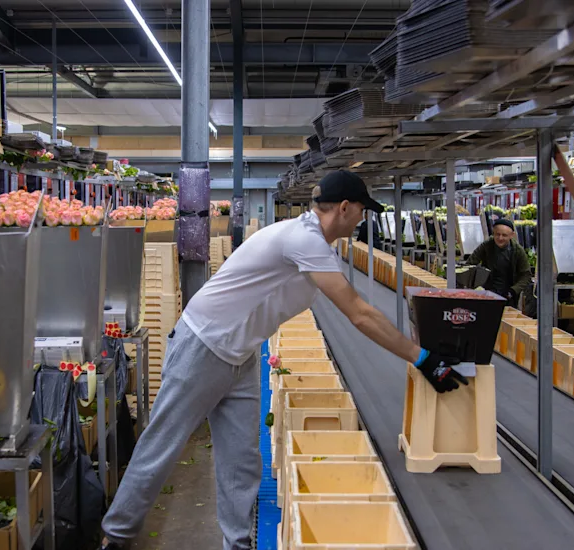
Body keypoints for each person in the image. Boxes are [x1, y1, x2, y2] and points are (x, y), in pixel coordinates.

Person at [99, 170, 467, 550]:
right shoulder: (303, 240)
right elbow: (358, 313)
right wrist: (421, 357)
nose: (363, 218)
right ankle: (117, 534)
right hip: (204, 344)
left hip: (241, 351)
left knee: (241, 461)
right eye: (361, 210)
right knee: (164, 443)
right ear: (343, 208)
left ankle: (237, 543)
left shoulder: (311, 241)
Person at [468, 218, 532, 305]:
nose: (500, 238)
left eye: (504, 235)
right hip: (487, 293)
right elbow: (470, 264)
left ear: (511, 235)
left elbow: (526, 275)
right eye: (497, 234)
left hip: (508, 295)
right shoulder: (487, 245)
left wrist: (513, 291)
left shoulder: (517, 251)